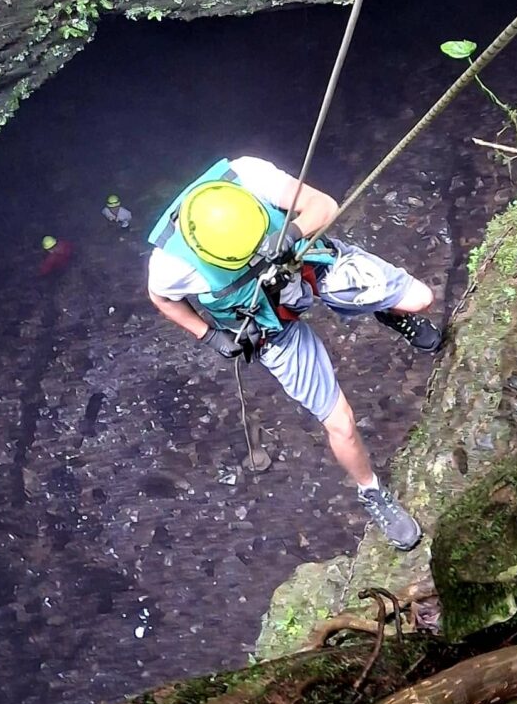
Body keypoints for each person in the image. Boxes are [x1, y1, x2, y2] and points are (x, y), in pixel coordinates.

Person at [145, 154, 441, 551]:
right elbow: (161, 299)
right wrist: (208, 334)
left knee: (421, 298)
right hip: (263, 321)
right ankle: (372, 493)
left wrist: (293, 231)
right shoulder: (169, 263)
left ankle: (387, 310)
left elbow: (325, 205)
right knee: (340, 423)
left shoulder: (248, 175)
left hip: (306, 263)